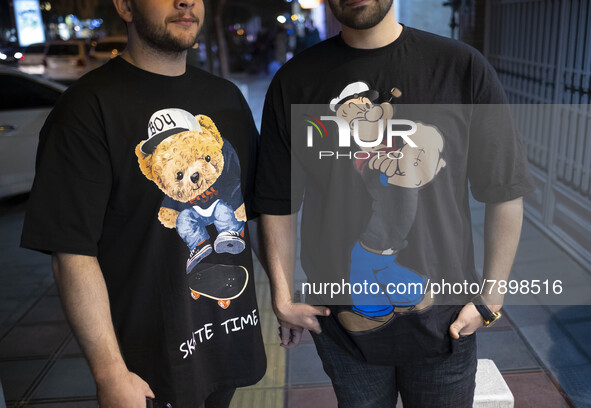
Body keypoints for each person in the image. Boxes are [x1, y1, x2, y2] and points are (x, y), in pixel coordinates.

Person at [254, 0, 533, 407]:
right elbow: (277, 202)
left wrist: (491, 298)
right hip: (345, 332)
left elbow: (505, 190)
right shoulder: (296, 80)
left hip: (446, 326)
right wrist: (281, 297)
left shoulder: (460, 67)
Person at [20, 0, 266, 407]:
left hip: (226, 342)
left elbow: (254, 212)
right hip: (147, 367)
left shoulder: (225, 99)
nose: (185, 1)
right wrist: (110, 373)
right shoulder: (86, 108)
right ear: (125, 6)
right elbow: (71, 253)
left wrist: (286, 294)